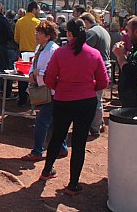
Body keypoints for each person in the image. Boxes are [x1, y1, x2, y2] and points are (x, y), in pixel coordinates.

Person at [39, 19, 109, 195]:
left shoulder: (60, 53)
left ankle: (47, 170)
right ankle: (73, 183)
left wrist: (61, 87)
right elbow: (103, 81)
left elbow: (48, 78)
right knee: (79, 142)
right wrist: (88, 87)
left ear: (68, 34)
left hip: (63, 100)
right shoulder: (94, 54)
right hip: (86, 102)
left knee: (57, 136)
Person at [22, 21, 68, 161]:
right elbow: (34, 63)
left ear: (48, 36)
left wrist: (38, 73)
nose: (36, 35)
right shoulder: (40, 47)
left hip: (53, 91)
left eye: (39, 33)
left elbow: (55, 71)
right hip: (44, 89)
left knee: (42, 121)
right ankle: (62, 148)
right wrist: (32, 74)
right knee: (55, 121)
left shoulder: (53, 50)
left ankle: (37, 152)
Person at [79, 12, 111, 136]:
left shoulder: (91, 33)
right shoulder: (103, 30)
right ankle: (98, 124)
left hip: (96, 69)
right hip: (104, 67)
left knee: (94, 100)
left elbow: (84, 50)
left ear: (86, 22)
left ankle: (94, 128)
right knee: (98, 99)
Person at [14, 1, 41, 106]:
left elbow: (16, 38)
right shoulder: (38, 23)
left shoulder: (20, 21)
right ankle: (35, 100)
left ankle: (22, 100)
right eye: (38, 9)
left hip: (23, 53)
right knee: (34, 77)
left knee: (21, 78)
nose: (39, 11)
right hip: (35, 54)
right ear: (34, 10)